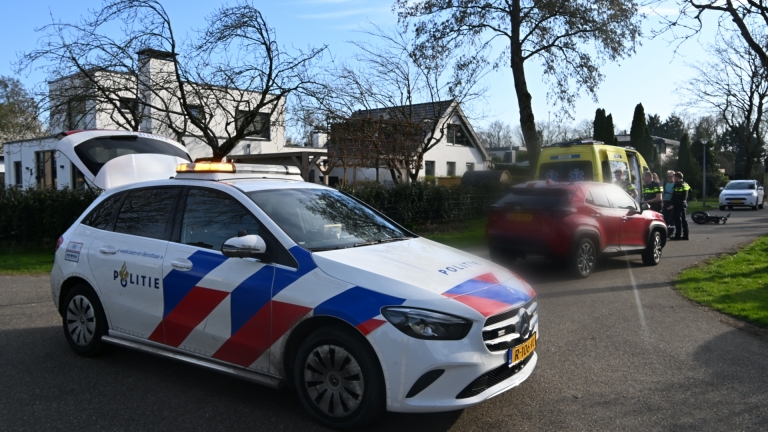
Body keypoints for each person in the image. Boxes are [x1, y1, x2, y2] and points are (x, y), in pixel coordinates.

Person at [668, 171, 691, 240]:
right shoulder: (686, 184)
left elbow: (676, 196)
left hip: (678, 204)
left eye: (674, 177)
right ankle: (686, 235)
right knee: (684, 220)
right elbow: (690, 191)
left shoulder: (678, 185)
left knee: (677, 220)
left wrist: (672, 205)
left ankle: (677, 235)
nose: (673, 179)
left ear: (677, 177)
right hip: (684, 203)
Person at [662, 170, 676, 237]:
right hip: (666, 201)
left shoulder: (675, 184)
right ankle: (666, 231)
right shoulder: (667, 184)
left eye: (671, 176)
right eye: (668, 176)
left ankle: (671, 232)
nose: (669, 178)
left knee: (671, 218)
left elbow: (676, 195)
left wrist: (670, 193)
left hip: (671, 202)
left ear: (674, 176)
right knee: (666, 218)